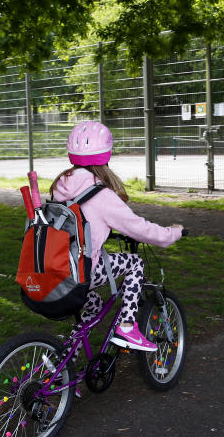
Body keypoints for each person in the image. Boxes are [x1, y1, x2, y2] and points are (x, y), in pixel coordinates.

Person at [50, 120, 183, 352]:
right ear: (106, 154)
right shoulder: (102, 195)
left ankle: (62, 372)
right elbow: (140, 228)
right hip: (82, 271)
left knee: (93, 308)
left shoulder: (61, 185)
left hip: (56, 269)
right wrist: (172, 233)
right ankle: (127, 326)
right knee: (135, 263)